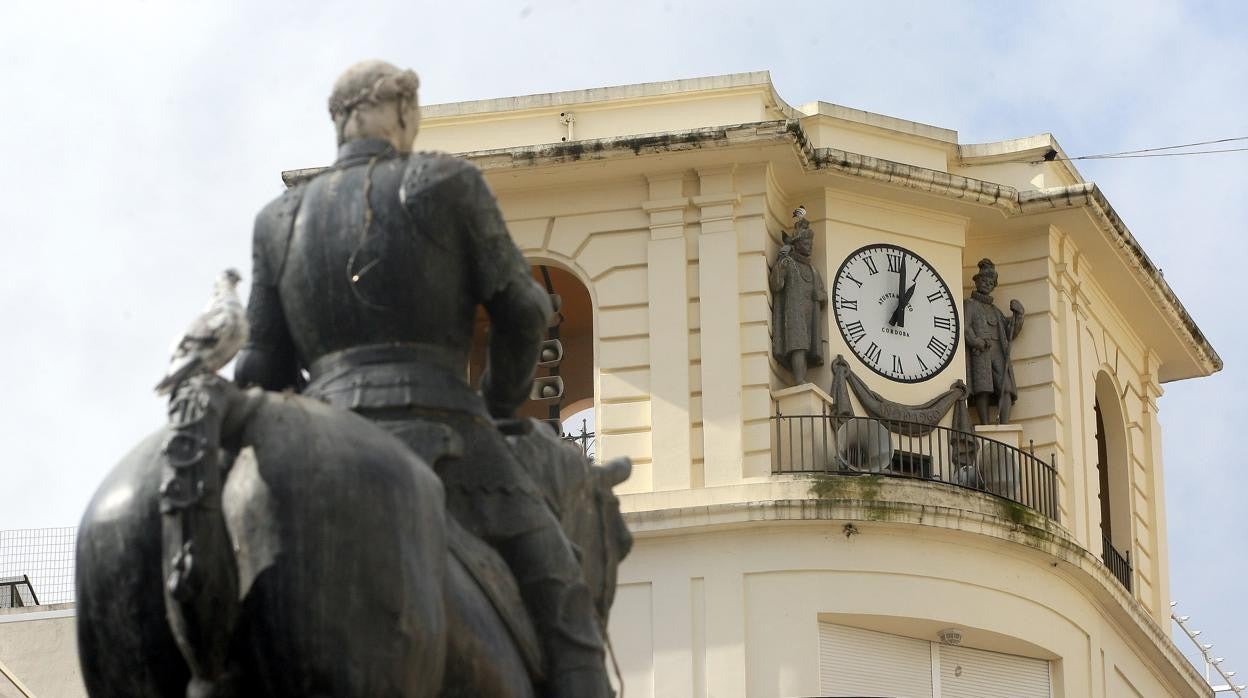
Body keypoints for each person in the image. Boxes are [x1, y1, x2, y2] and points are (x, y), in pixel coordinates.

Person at [234, 59, 611, 698]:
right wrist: (494, 405)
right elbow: (522, 311)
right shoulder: (447, 183)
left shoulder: (279, 219)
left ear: (339, 121)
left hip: (318, 438)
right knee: (565, 600)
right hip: (448, 436)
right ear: (405, 113)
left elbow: (260, 364)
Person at [963, 258, 1025, 424]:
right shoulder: (969, 304)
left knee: (1006, 387)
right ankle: (984, 423)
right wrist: (976, 341)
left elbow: (1010, 332)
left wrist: (1019, 315)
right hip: (981, 351)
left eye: (990, 282)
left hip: (998, 352)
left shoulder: (996, 311)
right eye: (983, 280)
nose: (986, 284)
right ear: (977, 282)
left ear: (993, 286)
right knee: (982, 387)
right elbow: (965, 327)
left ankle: (1004, 424)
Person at [769, 215, 827, 384]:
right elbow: (776, 284)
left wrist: (819, 296)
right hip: (794, 312)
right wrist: (780, 260)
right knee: (798, 345)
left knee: (806, 346)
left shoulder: (813, 270)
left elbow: (822, 294)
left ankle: (802, 377)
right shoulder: (788, 263)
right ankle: (799, 379)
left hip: (810, 315)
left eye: (810, 244)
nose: (809, 247)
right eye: (806, 243)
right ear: (796, 245)